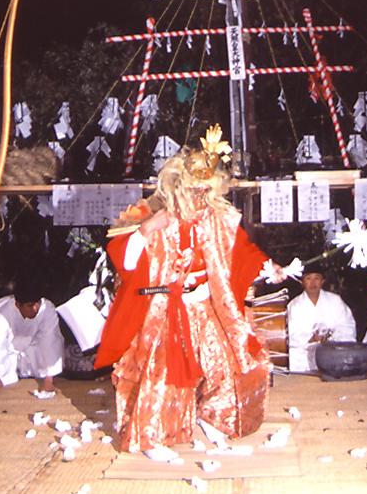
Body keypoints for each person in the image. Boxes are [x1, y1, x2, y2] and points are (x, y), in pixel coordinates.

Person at [95, 125, 286, 462]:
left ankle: (213, 416)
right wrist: (146, 230)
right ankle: (151, 437)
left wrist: (267, 268)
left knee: (225, 359)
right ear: (179, 185)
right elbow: (123, 259)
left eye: (204, 189)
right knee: (162, 373)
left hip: (204, 305)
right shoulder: (153, 213)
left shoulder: (216, 219)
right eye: (193, 188)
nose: (198, 196)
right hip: (162, 308)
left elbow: (240, 253)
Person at [0, 278, 65, 394]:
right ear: (17, 304)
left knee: (48, 344)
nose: (35, 309)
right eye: (30, 306)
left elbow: (51, 342)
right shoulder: (2, 314)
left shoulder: (47, 309)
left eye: (37, 304)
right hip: (5, 351)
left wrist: (48, 380)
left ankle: (34, 373)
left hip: (30, 347)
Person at [285, 263, 357, 372]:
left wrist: (329, 337)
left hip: (333, 348)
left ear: (322, 281)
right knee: (293, 357)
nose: (313, 283)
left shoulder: (335, 301)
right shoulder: (294, 305)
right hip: (305, 351)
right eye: (308, 278)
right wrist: (312, 338)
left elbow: (347, 326)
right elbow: (291, 334)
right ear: (302, 282)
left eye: (317, 278)